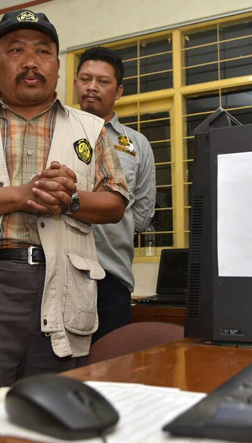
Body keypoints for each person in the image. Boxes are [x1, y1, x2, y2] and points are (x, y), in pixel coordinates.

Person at [0, 9, 129, 402]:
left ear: (58, 66)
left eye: (43, 52)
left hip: (62, 285)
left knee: (52, 418)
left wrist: (71, 200)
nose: (31, 62)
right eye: (16, 50)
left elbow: (115, 204)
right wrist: (22, 194)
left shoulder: (91, 129)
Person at [74, 46, 155, 342]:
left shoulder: (134, 143)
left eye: (103, 81)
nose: (92, 87)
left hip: (112, 276)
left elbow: (142, 214)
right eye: (85, 79)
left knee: (109, 369)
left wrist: (109, 224)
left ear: (118, 91)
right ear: (75, 83)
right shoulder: (54, 131)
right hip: (57, 271)